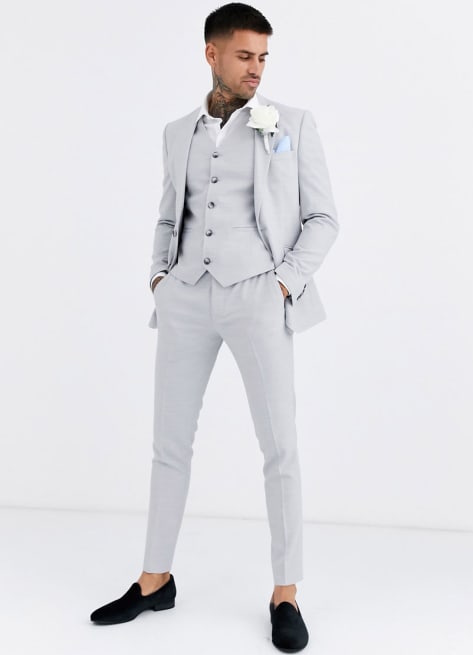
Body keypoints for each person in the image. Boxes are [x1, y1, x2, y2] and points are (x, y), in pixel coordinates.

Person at [90, 3, 338, 651]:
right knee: (168, 444)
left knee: (279, 446)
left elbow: (323, 219)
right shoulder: (178, 132)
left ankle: (285, 592)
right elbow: (168, 214)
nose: (256, 68)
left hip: (257, 293)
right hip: (186, 297)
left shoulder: (292, 124)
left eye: (263, 57)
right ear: (212, 54)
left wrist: (282, 282)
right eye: (244, 55)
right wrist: (159, 277)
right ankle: (154, 579)